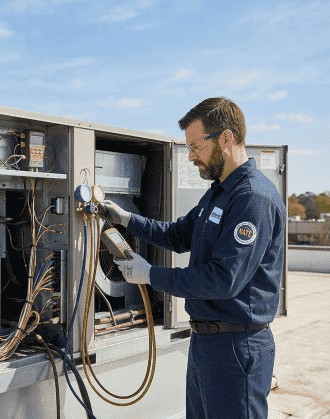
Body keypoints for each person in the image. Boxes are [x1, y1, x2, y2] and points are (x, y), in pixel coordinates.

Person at [99, 97, 286, 419]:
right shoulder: (219, 192)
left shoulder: (252, 198)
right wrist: (125, 218)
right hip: (207, 344)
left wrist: (150, 275)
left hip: (236, 347)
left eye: (196, 146)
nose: (190, 157)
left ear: (226, 138)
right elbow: (178, 235)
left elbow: (222, 280)